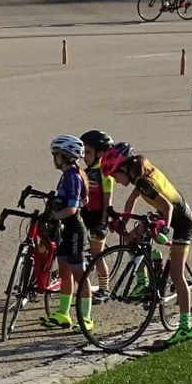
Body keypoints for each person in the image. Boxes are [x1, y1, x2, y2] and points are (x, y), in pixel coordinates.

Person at [99, 142, 192, 347]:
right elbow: (131, 201)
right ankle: (147, 275)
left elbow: (168, 207)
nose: (115, 181)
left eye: (115, 175)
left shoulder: (145, 182)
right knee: (132, 238)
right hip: (164, 214)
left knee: (177, 275)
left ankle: (186, 327)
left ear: (124, 169)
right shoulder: (139, 177)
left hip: (182, 222)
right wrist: (123, 223)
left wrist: (163, 231)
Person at [39, 135, 91, 333]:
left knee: (80, 274)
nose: (54, 158)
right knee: (63, 270)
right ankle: (63, 312)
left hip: (75, 230)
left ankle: (86, 317)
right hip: (66, 230)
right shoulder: (66, 175)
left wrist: (54, 216)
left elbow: (72, 209)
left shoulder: (74, 177)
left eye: (56, 155)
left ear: (65, 156)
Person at [79, 130, 116, 303]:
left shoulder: (104, 173)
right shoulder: (86, 170)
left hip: (97, 219)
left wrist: (103, 222)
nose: (84, 156)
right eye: (83, 152)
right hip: (84, 216)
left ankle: (105, 289)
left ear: (100, 153)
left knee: (97, 255)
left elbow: (107, 199)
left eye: (88, 152)